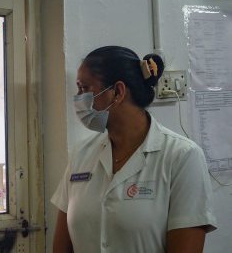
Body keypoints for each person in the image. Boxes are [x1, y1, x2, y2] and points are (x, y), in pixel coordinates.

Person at [51, 46, 217, 253]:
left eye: (84, 89)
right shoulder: (82, 154)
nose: (78, 99)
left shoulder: (182, 157)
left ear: (117, 92)